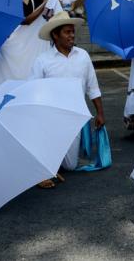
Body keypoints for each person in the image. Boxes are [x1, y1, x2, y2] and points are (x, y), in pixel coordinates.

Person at [31, 11, 105, 187]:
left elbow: (92, 87)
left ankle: (53, 163)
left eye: (73, 31)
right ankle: (41, 170)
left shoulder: (83, 56)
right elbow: (33, 91)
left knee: (70, 166)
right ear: (55, 36)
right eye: (67, 32)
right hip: (49, 120)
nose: (72, 35)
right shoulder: (43, 60)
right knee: (49, 158)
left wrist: (100, 113)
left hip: (74, 118)